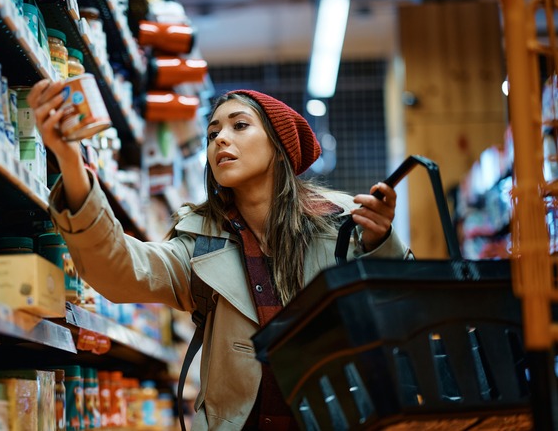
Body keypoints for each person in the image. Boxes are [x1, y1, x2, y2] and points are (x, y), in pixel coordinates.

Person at [28, 81, 411, 430]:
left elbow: (405, 310)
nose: (220, 140)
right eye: (212, 133)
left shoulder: (342, 222)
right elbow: (119, 268)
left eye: (239, 126)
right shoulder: (200, 241)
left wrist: (382, 242)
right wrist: (70, 161)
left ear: (279, 146)